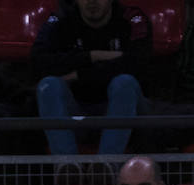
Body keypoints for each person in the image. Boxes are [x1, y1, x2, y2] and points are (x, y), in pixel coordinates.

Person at [31, 0, 150, 158]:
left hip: (126, 114)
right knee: (49, 85)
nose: (92, 1)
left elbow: (138, 62)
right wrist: (92, 56)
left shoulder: (132, 18)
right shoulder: (61, 19)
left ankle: (106, 167)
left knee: (124, 83)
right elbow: (38, 60)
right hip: (76, 114)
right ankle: (68, 168)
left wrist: (77, 75)